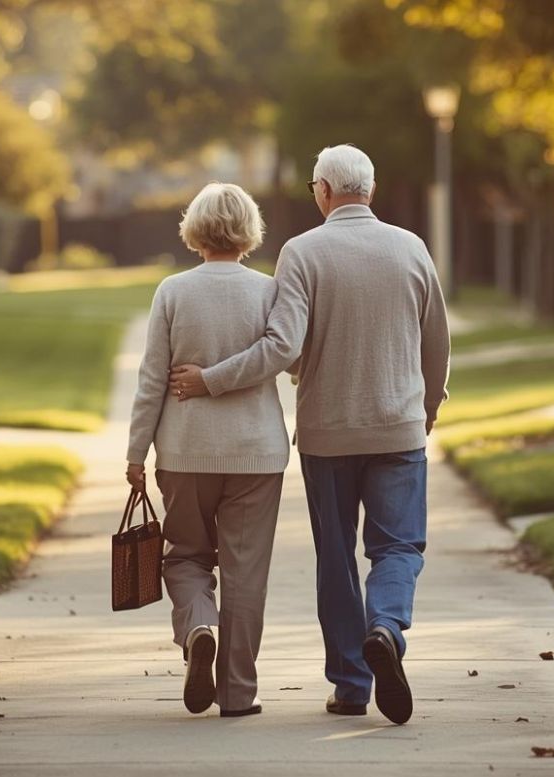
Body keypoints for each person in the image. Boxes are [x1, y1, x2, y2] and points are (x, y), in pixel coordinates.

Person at [168, 145, 451, 725]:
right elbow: (436, 342)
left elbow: (286, 347)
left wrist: (215, 380)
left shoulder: (301, 253)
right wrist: (427, 407)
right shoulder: (412, 248)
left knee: (338, 560)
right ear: (368, 190)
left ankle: (351, 686)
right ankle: (387, 628)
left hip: (327, 436)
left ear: (323, 191)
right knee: (398, 547)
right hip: (398, 428)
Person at [126, 182, 290, 718]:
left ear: (194, 229)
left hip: (185, 452)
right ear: (249, 230)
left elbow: (153, 380)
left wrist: (136, 453)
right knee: (246, 573)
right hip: (256, 455)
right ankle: (238, 693)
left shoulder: (172, 291)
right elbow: (284, 357)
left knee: (185, 556)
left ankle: (200, 624)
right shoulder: (269, 291)